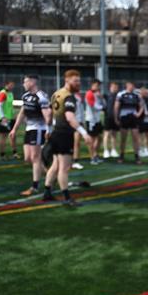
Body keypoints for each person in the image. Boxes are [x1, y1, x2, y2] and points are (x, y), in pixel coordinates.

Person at [43, 70, 92, 206]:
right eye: (75, 81)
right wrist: (84, 132)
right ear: (67, 80)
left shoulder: (56, 94)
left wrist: (48, 130)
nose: (78, 84)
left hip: (56, 133)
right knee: (64, 168)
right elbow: (70, 118)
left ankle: (47, 192)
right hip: (64, 134)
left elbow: (48, 115)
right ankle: (66, 197)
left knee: (55, 165)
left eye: (79, 81)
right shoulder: (69, 97)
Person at [9, 75, 51, 196]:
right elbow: (22, 113)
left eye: (25, 81)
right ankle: (51, 174)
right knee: (28, 158)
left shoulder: (41, 96)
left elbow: (47, 116)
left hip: (38, 129)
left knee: (35, 158)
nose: (23, 84)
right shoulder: (25, 96)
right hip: (29, 129)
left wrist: (49, 130)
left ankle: (35, 187)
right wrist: (14, 129)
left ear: (32, 82)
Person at [114, 81, 144, 164]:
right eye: (131, 85)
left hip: (133, 117)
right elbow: (116, 106)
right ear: (127, 85)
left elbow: (142, 105)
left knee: (135, 138)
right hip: (124, 117)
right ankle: (121, 155)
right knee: (123, 138)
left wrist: (138, 114)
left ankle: (137, 156)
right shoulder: (121, 94)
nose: (132, 87)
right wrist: (116, 118)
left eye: (133, 85)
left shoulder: (136, 95)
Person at [0, 81, 19, 160]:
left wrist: (14, 114)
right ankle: (2, 155)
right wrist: (3, 117)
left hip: (10, 118)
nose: (12, 86)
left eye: (13, 85)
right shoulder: (3, 93)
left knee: (13, 136)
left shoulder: (10, 94)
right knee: (3, 136)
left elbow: (10, 106)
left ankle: (15, 153)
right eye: (11, 85)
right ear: (6, 85)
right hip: (4, 119)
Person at [84, 79, 104, 165]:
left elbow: (103, 103)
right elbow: (93, 106)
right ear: (92, 85)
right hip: (91, 120)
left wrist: (101, 99)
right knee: (92, 139)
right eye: (96, 85)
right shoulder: (89, 93)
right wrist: (102, 107)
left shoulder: (98, 94)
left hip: (97, 119)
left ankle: (95, 154)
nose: (98, 87)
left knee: (99, 138)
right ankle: (92, 157)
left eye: (98, 85)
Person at [103, 82, 120, 159]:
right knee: (107, 134)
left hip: (115, 117)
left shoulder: (118, 97)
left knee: (114, 134)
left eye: (116, 87)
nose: (114, 88)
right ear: (110, 88)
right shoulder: (106, 96)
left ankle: (113, 149)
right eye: (113, 87)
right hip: (108, 117)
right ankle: (106, 150)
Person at [71, 90, 85, 170]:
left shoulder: (78, 97)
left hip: (78, 122)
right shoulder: (67, 96)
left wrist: (82, 122)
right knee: (71, 143)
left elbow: (81, 111)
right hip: (70, 122)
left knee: (77, 143)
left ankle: (75, 161)